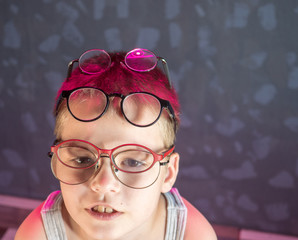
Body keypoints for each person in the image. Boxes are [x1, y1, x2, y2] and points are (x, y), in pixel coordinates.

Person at [15, 49, 217, 240]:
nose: (103, 183)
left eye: (132, 162)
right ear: (58, 162)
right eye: (83, 159)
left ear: (168, 173)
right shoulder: (37, 235)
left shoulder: (192, 234)